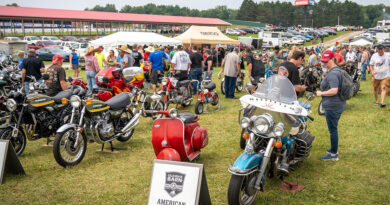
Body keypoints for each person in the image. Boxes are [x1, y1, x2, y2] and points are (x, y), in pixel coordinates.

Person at [316, 50, 346, 161]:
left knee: (333, 130)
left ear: (332, 59)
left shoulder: (333, 73)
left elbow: (334, 90)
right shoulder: (335, 70)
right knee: (334, 128)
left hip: (333, 106)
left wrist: (321, 93)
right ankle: (333, 148)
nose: (324, 63)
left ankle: (333, 155)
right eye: (323, 61)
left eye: (326, 61)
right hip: (338, 104)